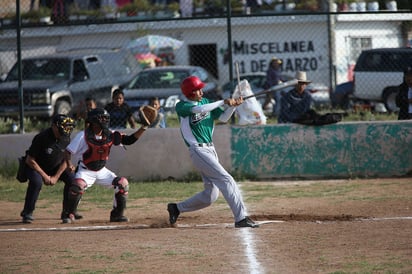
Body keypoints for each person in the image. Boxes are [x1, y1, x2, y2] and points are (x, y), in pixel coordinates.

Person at [167, 76, 259, 228]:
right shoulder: (181, 106)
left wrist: (233, 106)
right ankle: (241, 218)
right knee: (226, 180)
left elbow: (223, 118)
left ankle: (176, 208)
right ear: (190, 92)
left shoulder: (206, 102)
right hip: (197, 149)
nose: (202, 92)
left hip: (210, 149)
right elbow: (199, 110)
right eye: (198, 89)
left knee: (210, 195)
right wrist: (223, 101)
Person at [62, 108, 149, 223]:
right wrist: (69, 164)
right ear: (93, 121)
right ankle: (69, 214)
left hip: (101, 170)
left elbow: (129, 140)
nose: (105, 121)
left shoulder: (110, 134)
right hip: (86, 170)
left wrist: (143, 128)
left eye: (106, 118)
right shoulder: (83, 136)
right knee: (78, 186)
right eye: (101, 118)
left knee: (122, 184)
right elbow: (68, 152)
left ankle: (117, 215)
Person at [20, 114, 76, 223]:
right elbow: (30, 160)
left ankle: (67, 213)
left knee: (72, 179)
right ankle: (27, 213)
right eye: (63, 126)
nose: (66, 129)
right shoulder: (41, 137)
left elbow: (66, 159)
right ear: (54, 126)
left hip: (55, 167)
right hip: (36, 167)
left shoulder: (66, 138)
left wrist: (55, 177)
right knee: (36, 182)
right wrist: (45, 176)